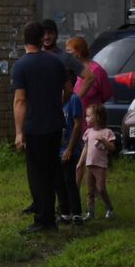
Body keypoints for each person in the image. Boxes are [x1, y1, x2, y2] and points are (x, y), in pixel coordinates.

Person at [11, 20, 69, 233]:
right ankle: (50, 215)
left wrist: (19, 132)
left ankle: (44, 219)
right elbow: (68, 89)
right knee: (52, 170)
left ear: (25, 40)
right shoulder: (56, 62)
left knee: (37, 174)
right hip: (55, 124)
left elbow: (19, 101)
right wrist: (58, 104)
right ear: (40, 37)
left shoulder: (21, 66)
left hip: (34, 126)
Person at [80, 103, 117, 220]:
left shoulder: (107, 132)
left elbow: (112, 147)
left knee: (101, 189)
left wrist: (104, 141)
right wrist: (80, 162)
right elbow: (85, 148)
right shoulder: (88, 132)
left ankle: (109, 208)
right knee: (90, 190)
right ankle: (90, 212)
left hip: (100, 166)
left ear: (97, 117)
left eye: (88, 116)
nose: (86, 118)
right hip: (89, 164)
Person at [66, 35, 110, 131]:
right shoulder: (70, 70)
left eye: (69, 51)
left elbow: (106, 94)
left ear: (79, 52)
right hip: (73, 124)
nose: (66, 55)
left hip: (90, 126)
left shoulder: (96, 71)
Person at [58, 89, 84, 224]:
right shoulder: (55, 101)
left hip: (70, 149)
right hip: (57, 149)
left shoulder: (74, 100)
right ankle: (64, 213)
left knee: (69, 180)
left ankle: (77, 213)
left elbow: (77, 125)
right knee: (59, 182)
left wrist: (69, 149)